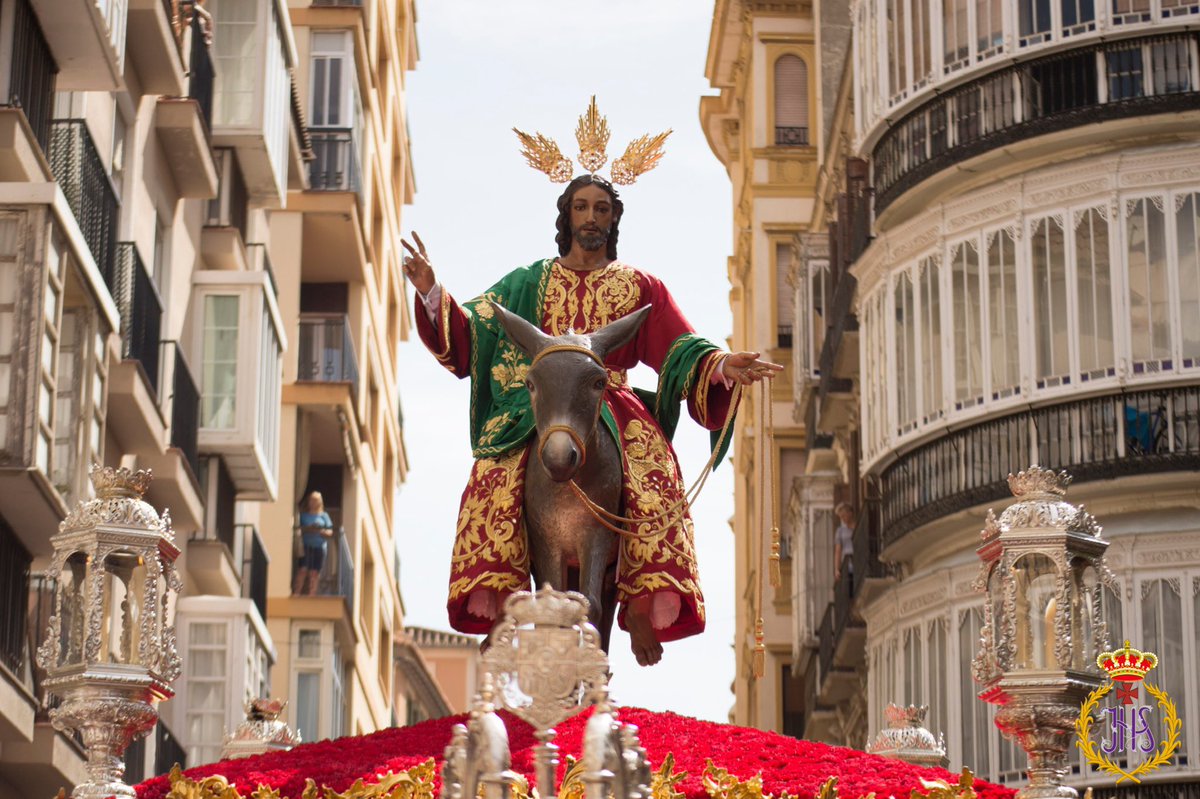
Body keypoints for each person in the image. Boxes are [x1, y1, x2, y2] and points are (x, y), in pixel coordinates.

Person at [403, 174, 782, 666]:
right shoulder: (530, 281)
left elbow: (679, 344)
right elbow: (479, 327)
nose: (591, 218)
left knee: (654, 473)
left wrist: (720, 365)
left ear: (613, 220)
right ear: (566, 216)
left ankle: (639, 599)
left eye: (602, 209)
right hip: (542, 404)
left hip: (610, 397)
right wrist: (432, 291)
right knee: (494, 474)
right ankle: (501, 594)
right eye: (582, 208)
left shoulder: (639, 285)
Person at [294, 490, 334, 595]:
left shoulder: (324, 516)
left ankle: (312, 594)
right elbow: (299, 529)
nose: (313, 502)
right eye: (312, 500)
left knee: (314, 573)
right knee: (302, 569)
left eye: (316, 500)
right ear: (309, 501)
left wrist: (320, 531)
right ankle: (297, 592)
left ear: (320, 502)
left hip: (319, 547)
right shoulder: (303, 516)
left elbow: (330, 532)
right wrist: (308, 529)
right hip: (306, 546)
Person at [833, 501, 855, 589]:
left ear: (850, 513)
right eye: (841, 517)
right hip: (848, 565)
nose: (843, 519)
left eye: (843, 515)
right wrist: (837, 569)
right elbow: (838, 551)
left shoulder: (858, 527)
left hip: (859, 561)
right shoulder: (840, 531)